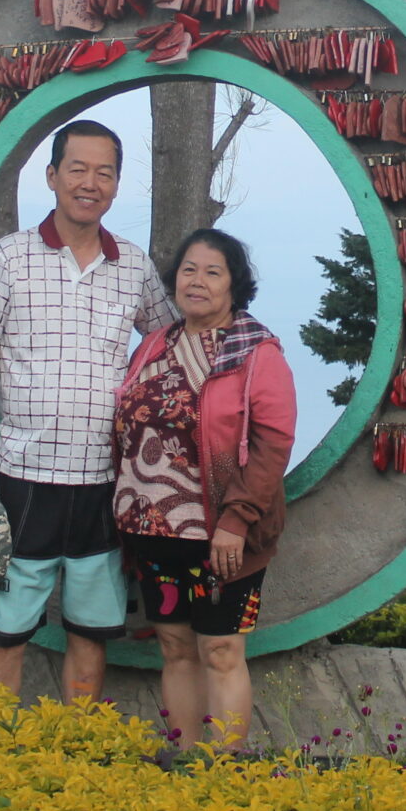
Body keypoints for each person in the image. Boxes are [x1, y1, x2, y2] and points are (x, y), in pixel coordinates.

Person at [0, 119, 172, 702]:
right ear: (52, 176)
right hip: (25, 474)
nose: (90, 183)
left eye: (104, 173)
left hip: (105, 480)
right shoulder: (10, 257)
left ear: (117, 184)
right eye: (77, 169)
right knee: (7, 628)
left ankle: (77, 743)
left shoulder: (133, 265)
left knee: (91, 629)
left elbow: (168, 343)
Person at [111, 227, 296, 749]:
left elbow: (273, 444)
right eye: (189, 270)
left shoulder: (257, 353)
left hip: (222, 536)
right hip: (152, 532)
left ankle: (225, 771)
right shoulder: (153, 346)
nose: (197, 281)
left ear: (234, 285)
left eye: (213, 272)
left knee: (220, 650)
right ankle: (186, 761)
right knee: (174, 647)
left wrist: (237, 520)